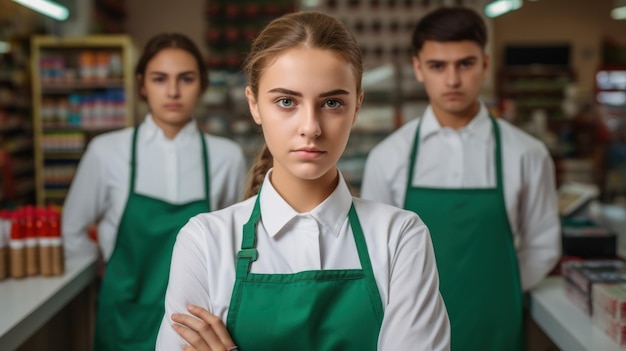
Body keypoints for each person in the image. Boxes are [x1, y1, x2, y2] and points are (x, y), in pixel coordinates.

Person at [155, 11, 450, 351]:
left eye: (332, 103)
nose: (310, 127)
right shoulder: (205, 242)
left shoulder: (399, 237)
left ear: (357, 108)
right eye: (286, 102)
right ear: (254, 105)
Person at [360, 6, 561, 351]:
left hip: (496, 323)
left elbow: (543, 244)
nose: (452, 80)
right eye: (438, 66)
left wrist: (497, 289)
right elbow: (375, 254)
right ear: (418, 68)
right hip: (412, 330)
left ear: (484, 65)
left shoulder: (527, 153)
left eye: (465, 64)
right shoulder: (388, 156)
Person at [61, 33, 247, 350]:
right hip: (123, 316)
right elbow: (72, 229)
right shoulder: (106, 152)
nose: (173, 91)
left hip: (193, 324)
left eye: (186, 79)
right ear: (142, 85)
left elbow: (234, 243)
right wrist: (109, 278)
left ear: (202, 84)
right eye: (160, 79)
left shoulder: (225, 157)